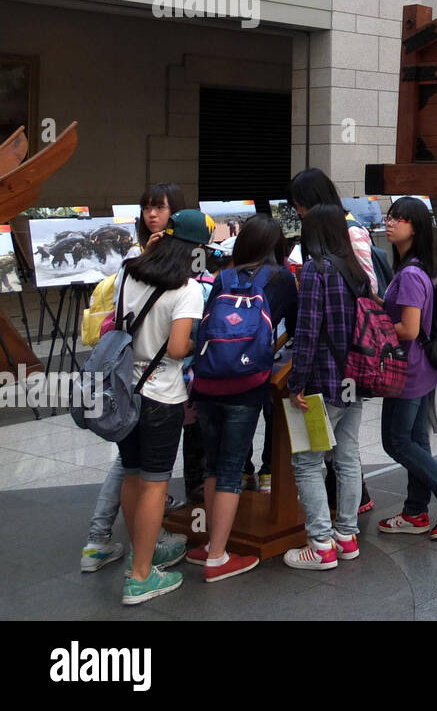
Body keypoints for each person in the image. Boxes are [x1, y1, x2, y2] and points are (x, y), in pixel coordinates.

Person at [80, 182, 189, 575]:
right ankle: (137, 559)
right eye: (146, 208)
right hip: (149, 385)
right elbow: (177, 345)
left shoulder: (141, 266)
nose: (151, 215)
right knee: (143, 474)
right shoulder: (144, 266)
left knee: (130, 469)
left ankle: (123, 544)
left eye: (159, 208)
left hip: (131, 381)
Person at [186, 214, 298, 582]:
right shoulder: (281, 279)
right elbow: (296, 330)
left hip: (207, 382)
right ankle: (217, 556)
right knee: (233, 467)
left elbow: (206, 327)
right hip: (246, 385)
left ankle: (208, 542)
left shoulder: (223, 278)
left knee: (214, 465)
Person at [115, 209, 209, 605]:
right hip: (161, 397)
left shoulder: (127, 272)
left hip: (124, 391)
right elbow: (175, 349)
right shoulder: (187, 289)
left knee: (131, 475)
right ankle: (140, 577)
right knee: (155, 485)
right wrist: (195, 344)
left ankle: (144, 553)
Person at [377, 197, 437, 539]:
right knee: (416, 440)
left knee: (396, 442)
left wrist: (374, 331)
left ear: (415, 228)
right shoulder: (413, 268)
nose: (390, 223)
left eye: (399, 219)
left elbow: (409, 329)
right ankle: (415, 512)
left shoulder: (411, 274)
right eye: (389, 217)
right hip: (421, 368)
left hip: (408, 369)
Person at [282, 205, 365, 570]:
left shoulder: (318, 269)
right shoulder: (355, 268)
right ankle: (346, 537)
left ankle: (320, 545)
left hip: (322, 383)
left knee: (307, 462)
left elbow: (308, 330)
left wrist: (295, 383)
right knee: (347, 457)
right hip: (354, 378)